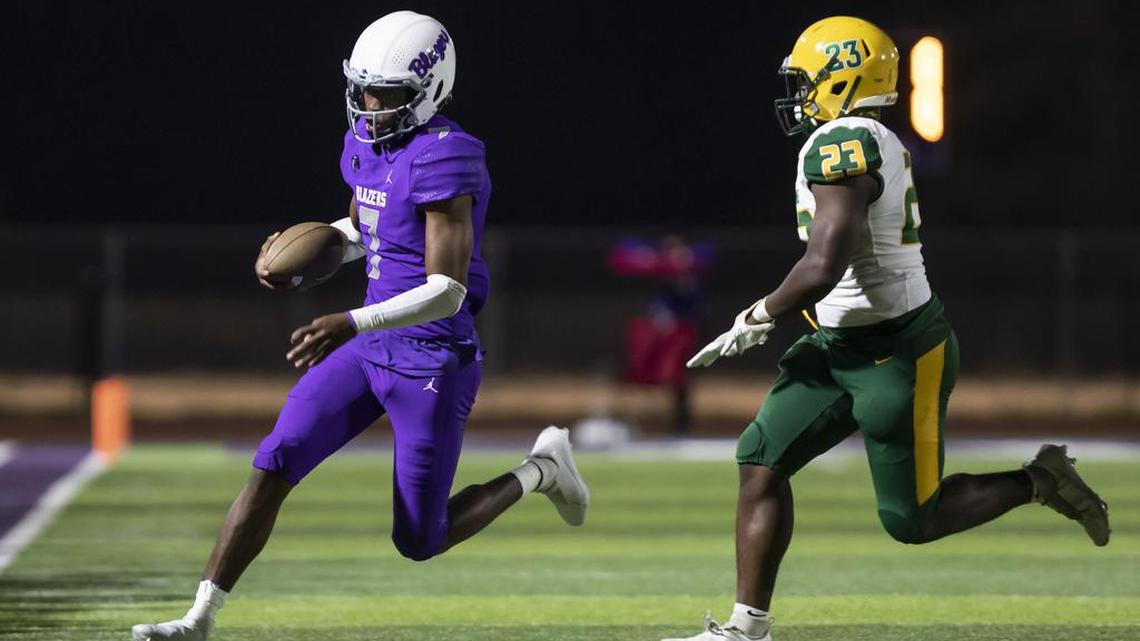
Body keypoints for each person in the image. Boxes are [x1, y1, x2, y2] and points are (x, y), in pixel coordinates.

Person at [132, 11, 589, 641]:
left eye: (387, 94)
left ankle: (541, 469)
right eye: (363, 90)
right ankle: (198, 619)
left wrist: (349, 318)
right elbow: (363, 230)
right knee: (274, 462)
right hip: (370, 346)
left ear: (428, 91)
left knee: (419, 540)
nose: (370, 106)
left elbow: (446, 291)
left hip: (432, 357)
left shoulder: (447, 156)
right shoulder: (367, 144)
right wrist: (310, 258)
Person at [664, 16, 1109, 641]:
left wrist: (757, 316)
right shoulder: (872, 138)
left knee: (913, 521)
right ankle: (746, 628)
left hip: (899, 353)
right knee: (761, 460)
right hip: (834, 347)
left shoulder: (841, 143)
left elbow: (825, 263)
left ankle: (1040, 479)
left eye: (808, 78)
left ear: (842, 77)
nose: (799, 93)